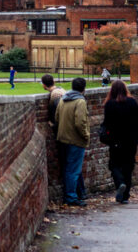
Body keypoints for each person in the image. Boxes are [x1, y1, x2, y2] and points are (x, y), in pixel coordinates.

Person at [102, 80, 138, 203]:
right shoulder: (132, 102)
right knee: (128, 167)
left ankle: (120, 183)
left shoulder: (109, 104)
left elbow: (107, 123)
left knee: (114, 165)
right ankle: (125, 196)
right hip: (131, 140)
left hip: (115, 140)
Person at [54, 77, 90, 207]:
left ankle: (76, 194)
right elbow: (80, 122)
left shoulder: (63, 99)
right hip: (75, 140)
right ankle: (71, 197)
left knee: (69, 168)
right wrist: (86, 135)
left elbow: (57, 118)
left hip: (62, 138)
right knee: (73, 170)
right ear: (83, 88)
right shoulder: (80, 101)